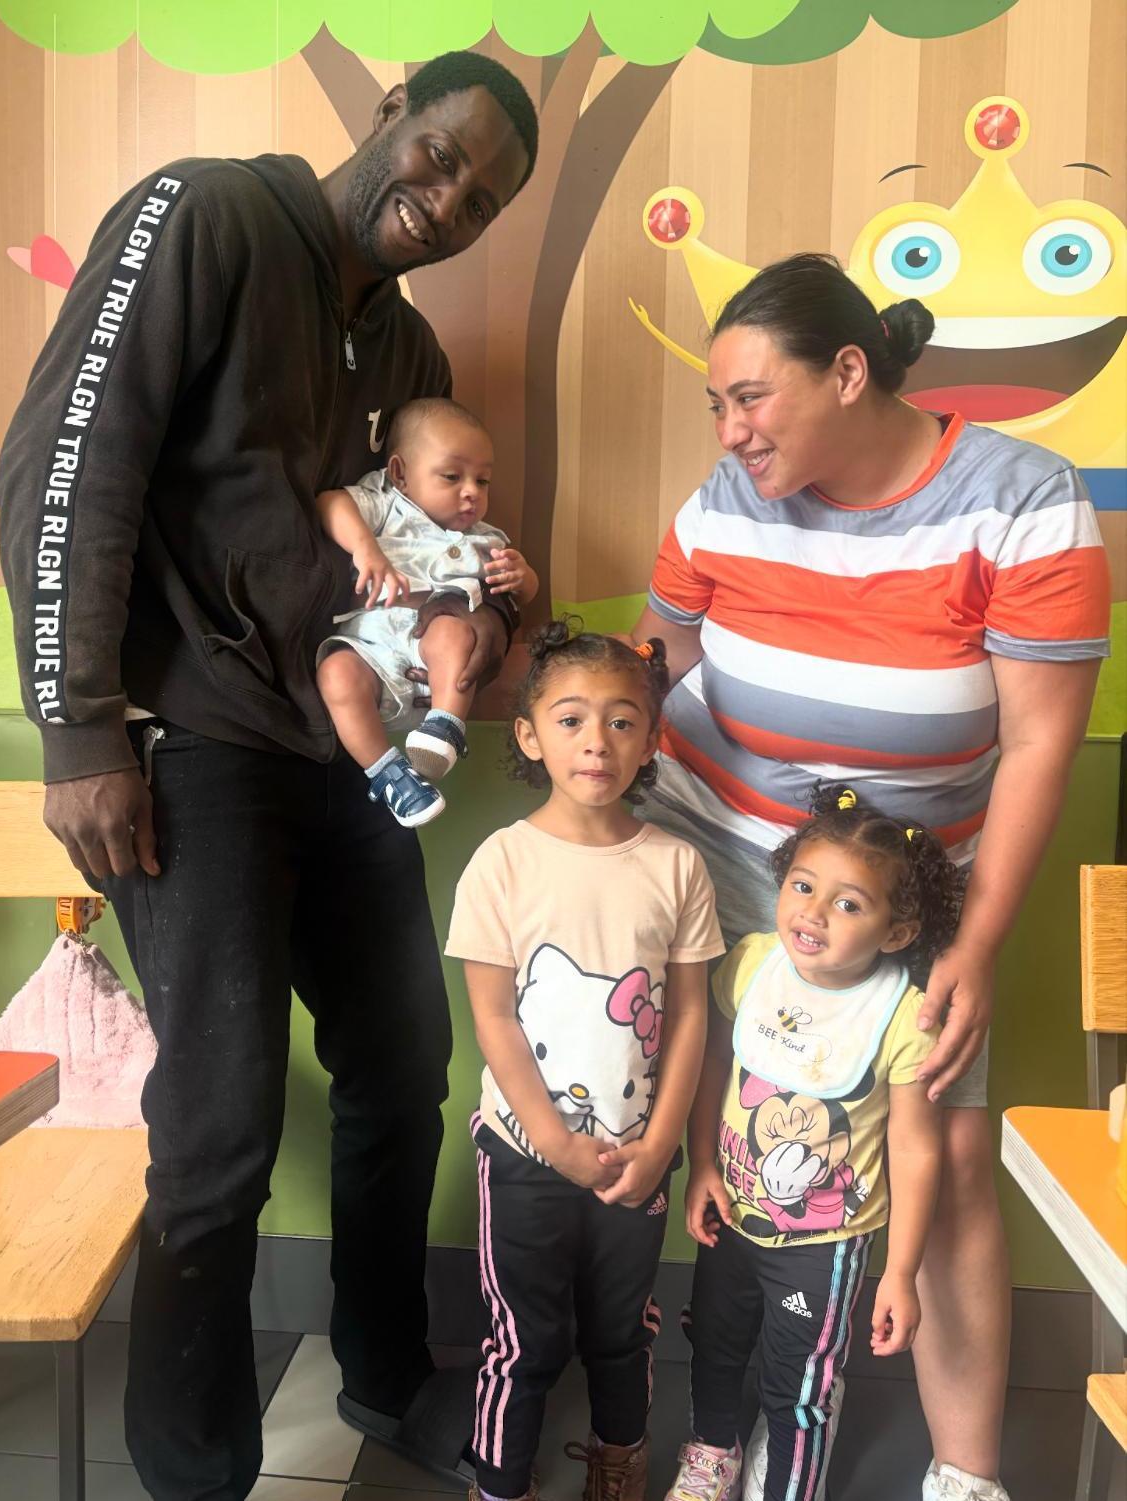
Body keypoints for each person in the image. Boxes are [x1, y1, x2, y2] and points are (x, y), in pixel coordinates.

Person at [0, 51, 538, 1501]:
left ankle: (384, 1373)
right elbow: (66, 464)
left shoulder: (406, 358)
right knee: (222, 1122)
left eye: (480, 200)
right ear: (387, 115)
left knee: (402, 1067)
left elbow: (431, 560)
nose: (447, 201)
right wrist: (78, 728)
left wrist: (489, 630)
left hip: (343, 752)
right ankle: (194, 1470)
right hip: (192, 743)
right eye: (440, 156)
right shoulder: (207, 216)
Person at [631, 252, 1110, 1501]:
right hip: (722, 853)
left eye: (750, 398)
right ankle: (703, 1425)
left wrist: (975, 945)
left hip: (902, 897)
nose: (730, 432)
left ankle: (966, 1474)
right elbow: (650, 664)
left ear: (849, 372)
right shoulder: (727, 501)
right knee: (701, 1125)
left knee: (942, 1157)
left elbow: (1039, 746)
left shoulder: (1024, 500)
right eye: (718, 407)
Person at [446, 622, 725, 1501]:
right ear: (530, 735)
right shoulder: (502, 863)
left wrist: (661, 1143)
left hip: (637, 1161)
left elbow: (690, 1016)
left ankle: (618, 1466)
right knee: (522, 1339)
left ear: (649, 741)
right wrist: (557, 1143)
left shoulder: (677, 865)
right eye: (570, 719)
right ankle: (499, 1483)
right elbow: (493, 1018)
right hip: (524, 1157)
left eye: (620, 720)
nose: (595, 740)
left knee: (621, 1331)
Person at [667, 785, 962, 1501]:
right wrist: (701, 1163)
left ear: (896, 932)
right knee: (713, 1342)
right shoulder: (749, 964)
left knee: (799, 1381)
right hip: (731, 1213)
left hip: (823, 1244)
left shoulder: (902, 1017)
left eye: (848, 903)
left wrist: (900, 1271)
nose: (813, 911)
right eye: (802, 885)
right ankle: (712, 1450)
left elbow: (916, 1149)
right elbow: (712, 1065)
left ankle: (789, 1481)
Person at [316, 396, 537, 827]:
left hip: (438, 668)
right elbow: (330, 503)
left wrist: (524, 576)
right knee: (335, 673)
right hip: (373, 654)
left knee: (453, 634)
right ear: (400, 473)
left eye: (483, 481)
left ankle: (446, 726)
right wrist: (365, 548)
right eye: (452, 476)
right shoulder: (385, 505)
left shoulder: (487, 539)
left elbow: (523, 594)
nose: (471, 491)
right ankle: (392, 777)